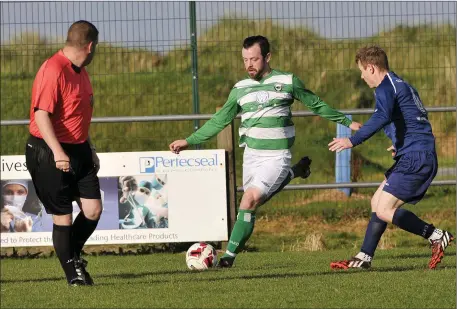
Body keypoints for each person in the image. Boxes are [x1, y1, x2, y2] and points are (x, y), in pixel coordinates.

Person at [169, 35, 362, 268]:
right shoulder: (240, 89)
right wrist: (189, 141)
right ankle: (294, 173)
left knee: (249, 200)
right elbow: (219, 120)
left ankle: (228, 257)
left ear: (267, 57)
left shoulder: (288, 81)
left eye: (254, 59)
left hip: (277, 156)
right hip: (251, 156)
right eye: (245, 60)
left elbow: (316, 104)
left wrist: (347, 122)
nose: (249, 64)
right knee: (255, 201)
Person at [328, 45, 454, 270]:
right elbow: (411, 118)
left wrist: (352, 140)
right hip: (415, 153)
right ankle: (364, 257)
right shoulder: (399, 84)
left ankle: (436, 235)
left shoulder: (387, 87)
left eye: (362, 70)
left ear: (371, 68)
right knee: (376, 203)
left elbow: (382, 118)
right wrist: (399, 143)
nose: (362, 76)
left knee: (385, 209)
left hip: (417, 157)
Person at [25, 20, 102, 286]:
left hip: (79, 148)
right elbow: (41, 114)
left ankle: (73, 254)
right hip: (49, 149)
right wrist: (58, 152)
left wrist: (90, 148)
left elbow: (78, 115)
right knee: (64, 216)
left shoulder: (80, 71)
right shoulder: (53, 69)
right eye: (97, 47)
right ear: (90, 46)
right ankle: (74, 276)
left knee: (93, 209)